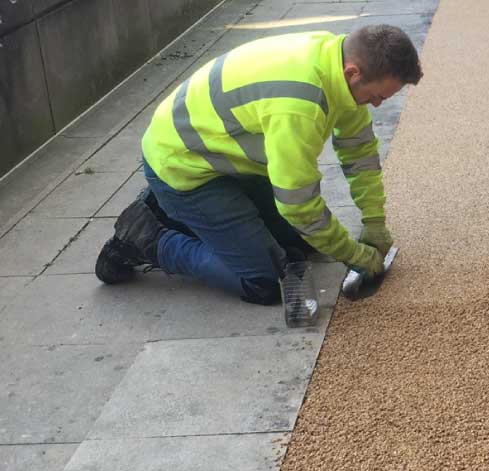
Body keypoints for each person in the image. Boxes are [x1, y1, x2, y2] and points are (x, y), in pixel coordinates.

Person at [95, 25, 422, 304]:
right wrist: (352, 254)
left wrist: (374, 220)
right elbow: (299, 206)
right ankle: (146, 236)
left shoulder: (335, 61)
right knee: (267, 283)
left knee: (298, 246)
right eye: (376, 96)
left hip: (223, 160)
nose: (377, 105)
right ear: (354, 72)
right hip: (185, 170)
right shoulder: (300, 103)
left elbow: (360, 151)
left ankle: (179, 213)